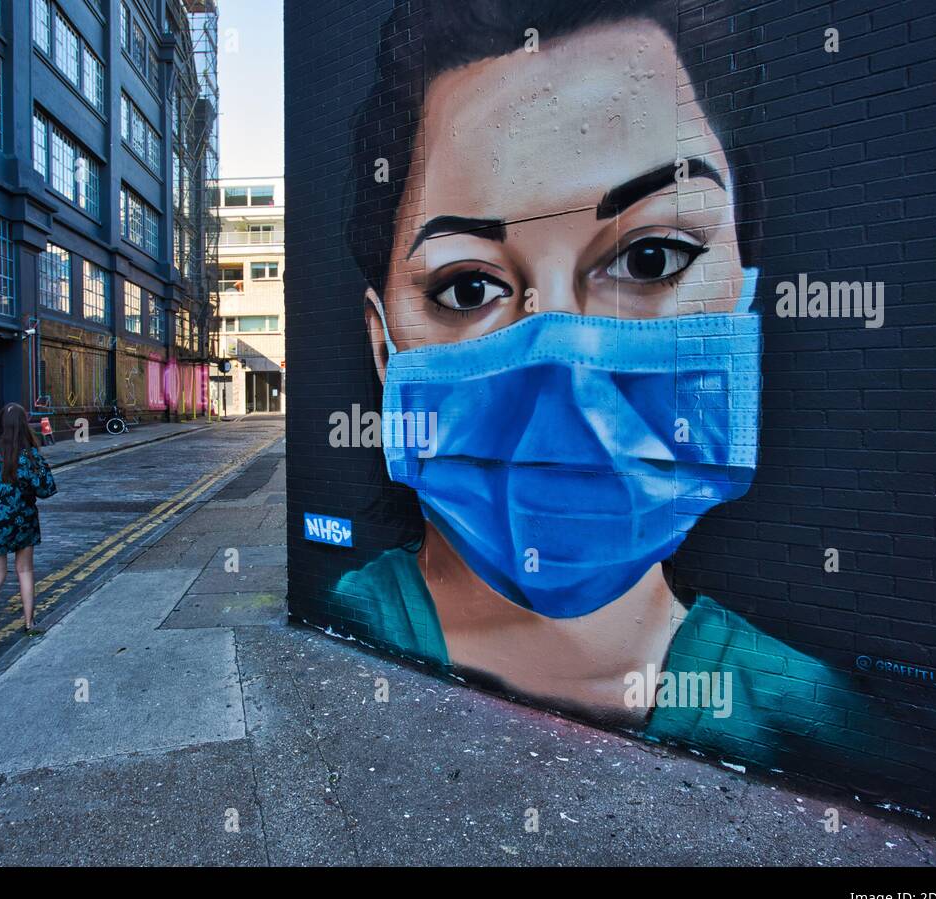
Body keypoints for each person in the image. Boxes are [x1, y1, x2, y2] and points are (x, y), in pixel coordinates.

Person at [332, 0, 877, 771]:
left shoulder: (820, 726)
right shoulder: (343, 613)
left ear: (742, 292)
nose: (568, 375)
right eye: (465, 287)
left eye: (650, 257)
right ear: (385, 353)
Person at [0, 403, 57, 659]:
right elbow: (47, 489)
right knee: (24, 570)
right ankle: (29, 623)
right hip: (20, 520)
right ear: (24, 424)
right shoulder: (28, 454)